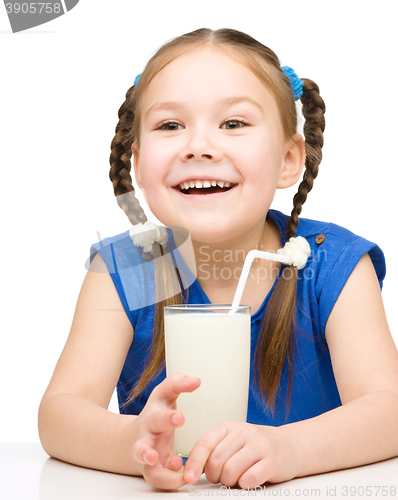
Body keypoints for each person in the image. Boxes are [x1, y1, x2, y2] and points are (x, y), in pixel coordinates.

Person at [38, 28, 398, 491]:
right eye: (170, 126)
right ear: (139, 161)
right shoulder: (126, 269)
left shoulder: (334, 267)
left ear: (289, 159)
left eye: (233, 124)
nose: (198, 146)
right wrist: (136, 442)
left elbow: (390, 408)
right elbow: (59, 414)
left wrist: (292, 449)